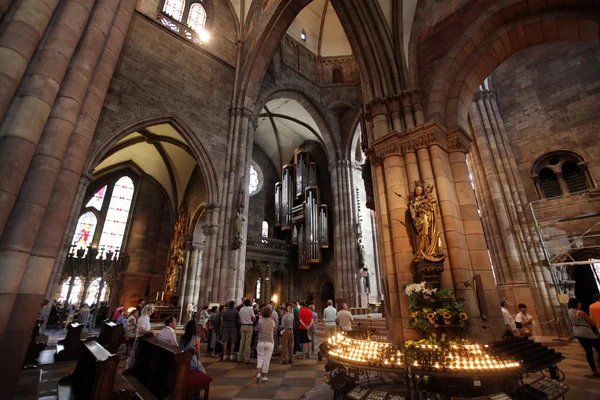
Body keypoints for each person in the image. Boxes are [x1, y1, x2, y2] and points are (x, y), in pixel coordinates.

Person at [408, 181, 445, 262]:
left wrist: (430, 206)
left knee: (431, 233)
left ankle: (432, 250)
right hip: (421, 219)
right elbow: (413, 211)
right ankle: (424, 250)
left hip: (428, 218)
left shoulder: (426, 198)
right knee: (424, 235)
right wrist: (416, 210)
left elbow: (434, 207)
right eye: (417, 190)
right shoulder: (413, 201)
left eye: (420, 190)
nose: (418, 191)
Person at [568, 297, 600, 377]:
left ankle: (594, 371)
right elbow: (592, 322)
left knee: (588, 351)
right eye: (579, 302)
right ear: (577, 304)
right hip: (586, 332)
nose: (580, 304)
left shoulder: (569, 311)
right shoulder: (580, 312)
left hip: (577, 332)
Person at [126, 303, 155, 369]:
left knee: (136, 355)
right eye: (152, 310)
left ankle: (132, 367)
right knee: (136, 355)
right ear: (150, 311)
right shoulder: (145, 318)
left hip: (141, 338)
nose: (153, 312)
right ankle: (131, 368)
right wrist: (151, 331)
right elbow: (141, 330)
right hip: (141, 339)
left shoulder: (143, 316)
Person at [255, 305, 276, 383]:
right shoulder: (272, 322)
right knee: (267, 359)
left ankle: (258, 373)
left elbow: (258, 329)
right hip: (269, 342)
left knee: (260, 358)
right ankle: (263, 376)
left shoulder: (260, 321)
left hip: (261, 341)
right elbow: (273, 331)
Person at [238, 299, 255, 363]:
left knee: (242, 342)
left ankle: (239, 358)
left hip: (242, 326)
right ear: (250, 303)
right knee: (247, 343)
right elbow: (254, 317)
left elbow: (239, 317)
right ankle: (246, 358)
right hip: (248, 326)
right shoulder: (250, 309)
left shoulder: (241, 309)